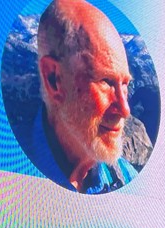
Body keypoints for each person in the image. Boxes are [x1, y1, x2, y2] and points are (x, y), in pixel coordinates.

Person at [32, 0, 137, 194]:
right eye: (106, 81)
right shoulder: (4, 167)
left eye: (125, 85)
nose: (125, 110)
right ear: (54, 79)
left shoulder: (127, 178)